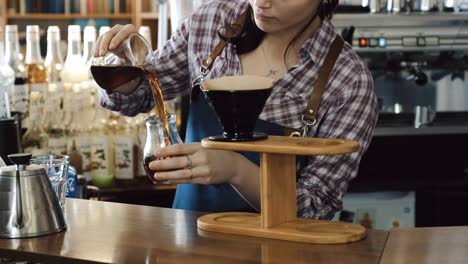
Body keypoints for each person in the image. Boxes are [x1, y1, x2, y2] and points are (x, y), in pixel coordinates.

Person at [94, 0, 378, 220]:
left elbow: (316, 207)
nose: (261, 3)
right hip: (186, 241)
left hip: (275, 251)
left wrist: (235, 170)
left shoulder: (349, 81)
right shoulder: (212, 22)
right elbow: (136, 98)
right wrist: (123, 68)